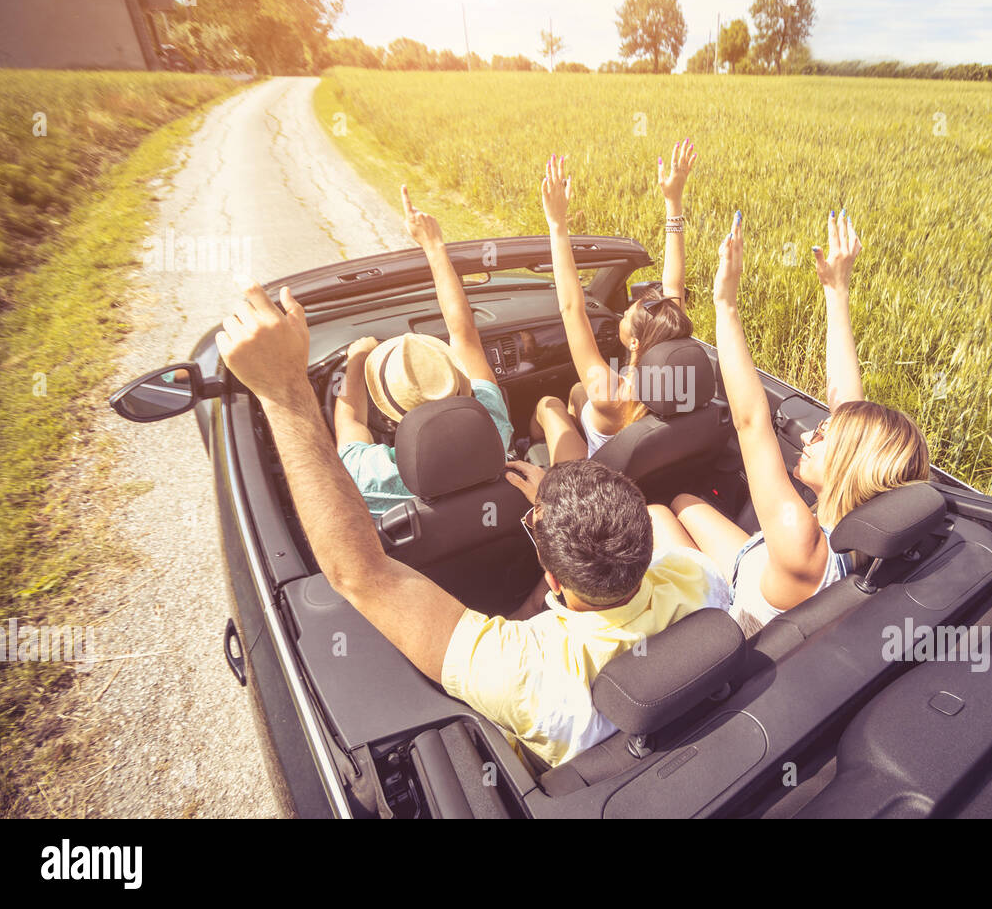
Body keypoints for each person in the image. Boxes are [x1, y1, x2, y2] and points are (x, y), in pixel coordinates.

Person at [214, 282, 729, 769]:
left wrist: (284, 392)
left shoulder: (525, 672)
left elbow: (360, 571)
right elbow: (660, 517)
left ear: (552, 579)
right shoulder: (699, 580)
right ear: (643, 538)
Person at [660, 209, 931, 635]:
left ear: (850, 462)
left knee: (656, 515)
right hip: (757, 562)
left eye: (824, 436)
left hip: (735, 608)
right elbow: (848, 407)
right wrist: (835, 289)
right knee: (681, 502)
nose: (812, 432)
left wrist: (725, 305)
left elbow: (751, 421)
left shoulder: (801, 537)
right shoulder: (863, 522)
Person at [334, 186, 514, 516]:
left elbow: (350, 418)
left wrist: (357, 359)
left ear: (390, 418)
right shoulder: (495, 427)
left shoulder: (371, 476)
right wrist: (434, 245)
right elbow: (466, 335)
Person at [528, 142, 697, 463]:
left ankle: (529, 447)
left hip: (590, 479)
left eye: (626, 314)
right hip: (637, 468)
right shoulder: (679, 377)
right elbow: (674, 286)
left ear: (634, 341)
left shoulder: (611, 392)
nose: (623, 311)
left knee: (548, 404)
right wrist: (673, 202)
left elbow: (572, 309)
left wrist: (557, 224)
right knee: (578, 392)